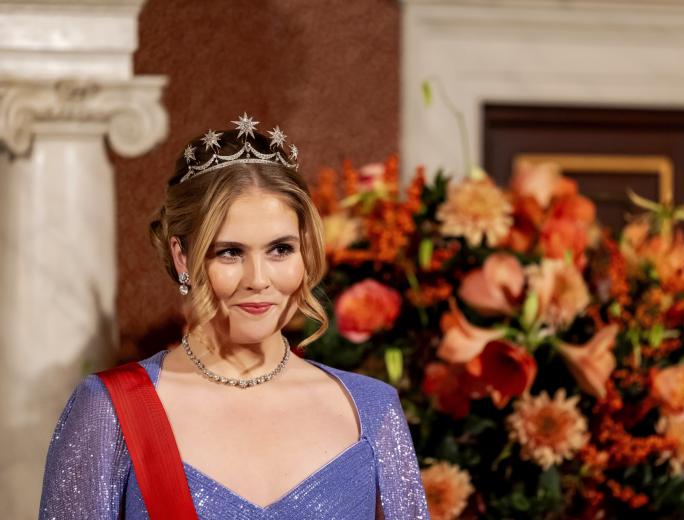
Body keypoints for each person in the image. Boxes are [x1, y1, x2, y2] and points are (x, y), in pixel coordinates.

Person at [38, 114, 430, 519]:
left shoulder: (370, 410)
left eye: (280, 249)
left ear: (306, 250)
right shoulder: (112, 410)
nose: (258, 280)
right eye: (230, 252)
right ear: (182, 257)